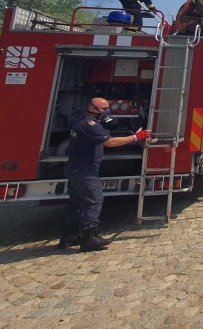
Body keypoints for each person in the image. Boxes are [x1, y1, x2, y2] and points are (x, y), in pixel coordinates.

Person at [59, 98, 151, 252]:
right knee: (93, 201)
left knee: (75, 203)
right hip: (86, 170)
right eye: (104, 108)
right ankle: (89, 238)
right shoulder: (91, 126)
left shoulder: (81, 123)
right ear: (93, 108)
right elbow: (111, 143)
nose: (107, 111)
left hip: (75, 168)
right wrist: (137, 137)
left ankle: (70, 236)